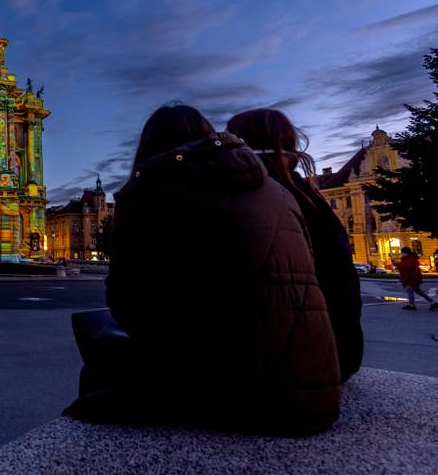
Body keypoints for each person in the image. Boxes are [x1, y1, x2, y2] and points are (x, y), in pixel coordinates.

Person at [65, 104, 341, 437]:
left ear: (147, 147)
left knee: (99, 367)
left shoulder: (149, 190)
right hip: (315, 394)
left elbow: (127, 304)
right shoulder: (278, 191)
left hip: (245, 399)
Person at [227, 108, 363, 381]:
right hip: (335, 355)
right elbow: (343, 285)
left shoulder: (239, 199)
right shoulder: (310, 199)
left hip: (271, 366)